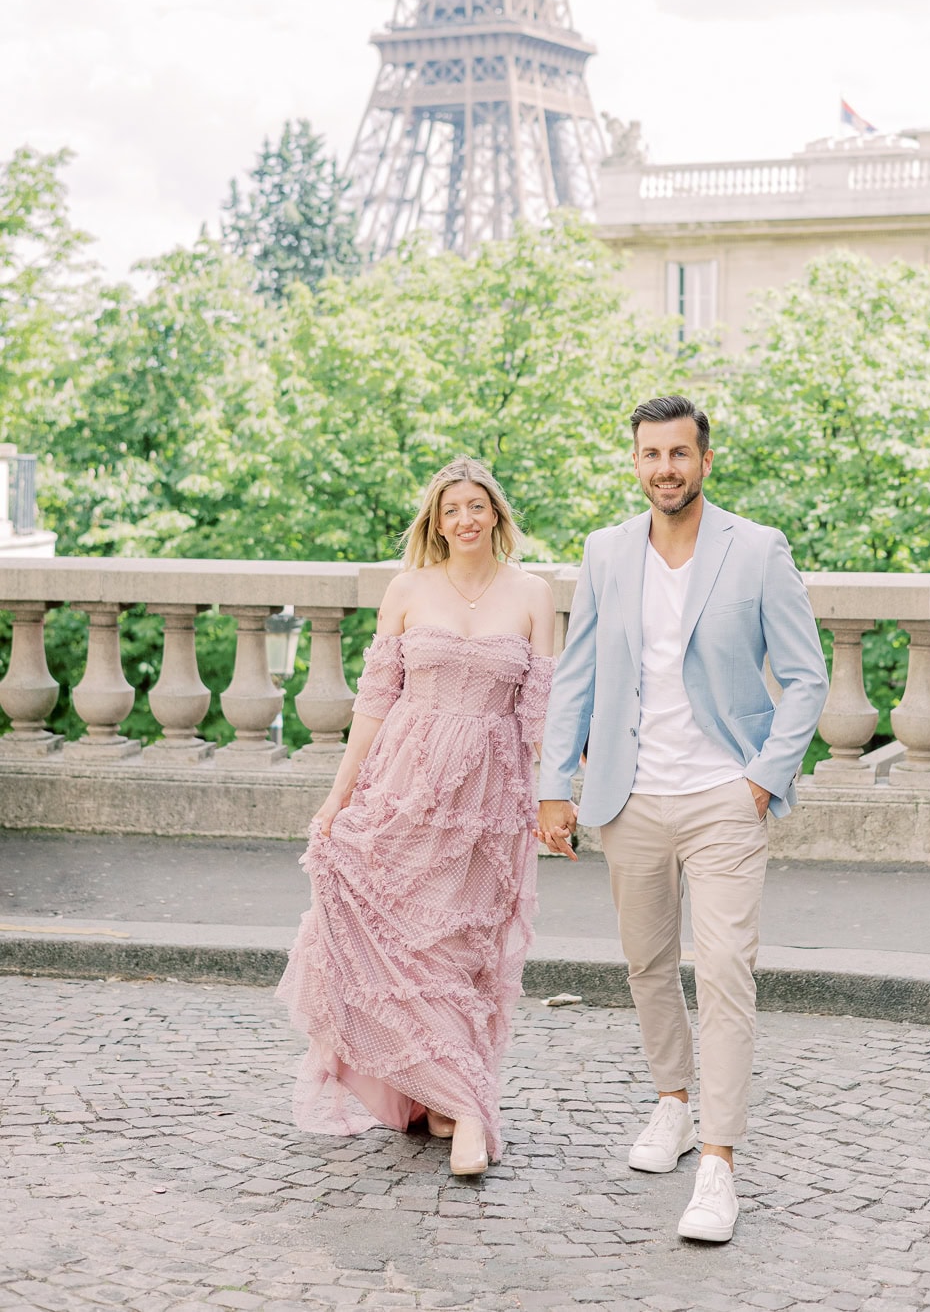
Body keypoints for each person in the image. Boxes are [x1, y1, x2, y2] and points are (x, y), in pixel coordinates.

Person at [536, 396, 827, 1243]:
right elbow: (577, 674)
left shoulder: (758, 550)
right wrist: (557, 785)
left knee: (727, 972)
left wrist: (762, 781)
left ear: (706, 459)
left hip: (724, 799)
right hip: (629, 796)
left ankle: (718, 1163)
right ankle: (671, 1100)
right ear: (635, 461)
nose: (665, 466)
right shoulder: (606, 551)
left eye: (679, 452)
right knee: (647, 963)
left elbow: (807, 677)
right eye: (650, 453)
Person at [277, 457, 555, 1176]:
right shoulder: (407, 589)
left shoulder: (532, 594)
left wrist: (552, 798)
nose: (466, 518)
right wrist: (338, 796)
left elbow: (539, 716)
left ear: (496, 512)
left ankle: (456, 1100)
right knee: (403, 937)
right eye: (451, 508)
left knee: (457, 950)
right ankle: (446, 1096)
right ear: (436, 520)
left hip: (485, 803)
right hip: (404, 784)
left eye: (477, 505)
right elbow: (374, 701)